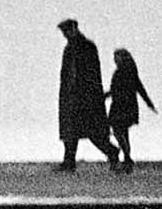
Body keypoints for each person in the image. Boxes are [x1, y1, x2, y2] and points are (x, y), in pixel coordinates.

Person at [56, 18, 118, 171]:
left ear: (74, 29)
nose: (65, 34)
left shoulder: (87, 47)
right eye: (64, 32)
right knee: (70, 132)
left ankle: (112, 153)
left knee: (93, 131)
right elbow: (66, 75)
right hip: (71, 97)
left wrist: (91, 95)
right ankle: (69, 162)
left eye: (66, 31)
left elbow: (91, 73)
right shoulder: (70, 48)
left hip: (86, 97)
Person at [106, 46, 155, 172]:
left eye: (117, 57)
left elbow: (139, 88)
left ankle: (127, 159)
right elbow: (116, 89)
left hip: (124, 107)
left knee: (118, 131)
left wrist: (148, 102)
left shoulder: (128, 72)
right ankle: (127, 162)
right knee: (123, 133)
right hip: (120, 106)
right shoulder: (124, 72)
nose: (115, 60)